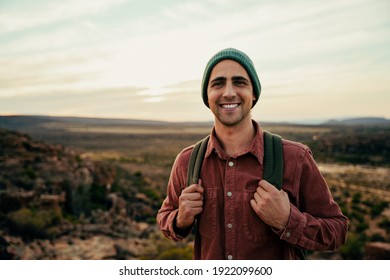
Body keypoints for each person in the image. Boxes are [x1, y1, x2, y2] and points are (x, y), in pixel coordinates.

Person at [157, 48, 348, 260]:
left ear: (254, 93)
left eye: (239, 82)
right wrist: (180, 219)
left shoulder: (295, 158)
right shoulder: (187, 161)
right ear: (207, 96)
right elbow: (165, 217)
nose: (228, 92)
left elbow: (337, 230)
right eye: (218, 83)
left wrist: (287, 220)